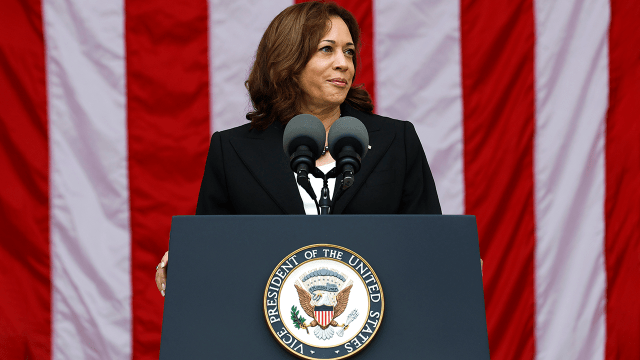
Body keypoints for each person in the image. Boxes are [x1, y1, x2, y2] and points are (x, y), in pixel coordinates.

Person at [155, 1, 442, 296]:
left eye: (349, 51)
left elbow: (430, 242)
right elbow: (212, 248)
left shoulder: (396, 140)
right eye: (327, 49)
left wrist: (451, 257)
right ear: (288, 61)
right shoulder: (232, 151)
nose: (344, 63)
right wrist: (185, 262)